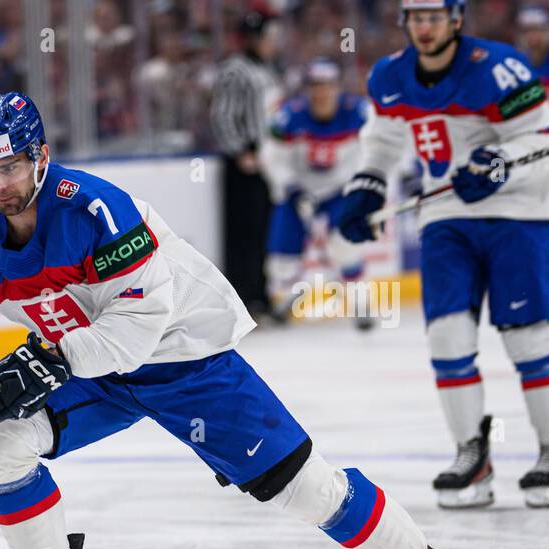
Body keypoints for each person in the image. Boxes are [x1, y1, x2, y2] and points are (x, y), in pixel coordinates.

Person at [0, 91, 500, 549]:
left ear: (39, 157)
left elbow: (141, 325)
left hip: (183, 358)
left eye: (7, 168)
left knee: (308, 491)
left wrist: (54, 360)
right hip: (94, 364)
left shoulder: (98, 213)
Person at [337, 0, 549, 509]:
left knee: (529, 339)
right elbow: (383, 138)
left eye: (435, 18)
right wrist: (367, 183)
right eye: (416, 18)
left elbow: (539, 136)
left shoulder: (499, 66)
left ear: (456, 19)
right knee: (446, 335)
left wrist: (498, 163)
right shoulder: (389, 75)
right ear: (406, 23)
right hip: (445, 217)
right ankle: (471, 455)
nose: (425, 28)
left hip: (517, 212)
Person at [262, 59, 371, 327]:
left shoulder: (359, 111)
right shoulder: (288, 116)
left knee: (345, 243)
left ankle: (359, 302)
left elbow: (377, 148)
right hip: (297, 190)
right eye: (315, 87)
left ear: (337, 87)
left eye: (327, 86)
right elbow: (271, 155)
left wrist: (362, 183)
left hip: (339, 188)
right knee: (282, 252)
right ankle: (284, 299)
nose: (321, 93)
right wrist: (290, 186)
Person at [209, 9, 283, 321]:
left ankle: (261, 295)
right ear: (253, 39)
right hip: (245, 164)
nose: (272, 43)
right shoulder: (234, 71)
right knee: (244, 233)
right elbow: (222, 115)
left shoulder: (268, 69)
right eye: (268, 37)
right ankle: (244, 298)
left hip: (268, 160)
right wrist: (240, 151)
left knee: (265, 229)